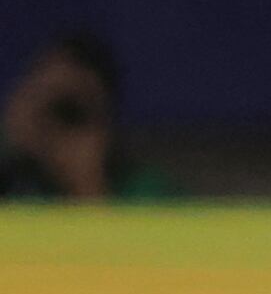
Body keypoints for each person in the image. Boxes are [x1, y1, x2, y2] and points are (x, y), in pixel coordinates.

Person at [0, 32, 172, 200]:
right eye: (49, 107)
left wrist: (88, 186)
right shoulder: (15, 177)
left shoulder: (147, 191)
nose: (57, 126)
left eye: (72, 112)